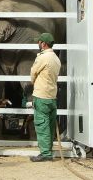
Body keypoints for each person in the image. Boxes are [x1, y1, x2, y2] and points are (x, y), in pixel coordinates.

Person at [29, 32, 62, 162]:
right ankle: (48, 150)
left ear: (43, 44)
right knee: (50, 125)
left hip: (41, 95)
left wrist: (34, 82)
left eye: (39, 42)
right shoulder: (56, 58)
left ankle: (45, 154)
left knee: (42, 125)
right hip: (52, 96)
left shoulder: (42, 57)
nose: (38, 44)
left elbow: (33, 73)